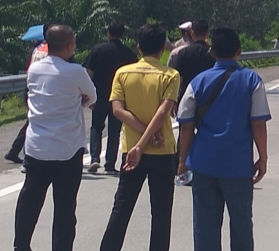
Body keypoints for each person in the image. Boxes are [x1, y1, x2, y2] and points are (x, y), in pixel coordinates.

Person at [177, 26, 270, 251]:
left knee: (205, 227)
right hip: (238, 167)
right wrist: (263, 157)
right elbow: (258, 123)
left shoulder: (197, 82)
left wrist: (182, 162)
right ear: (239, 50)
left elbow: (186, 125)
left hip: (203, 164)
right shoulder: (252, 81)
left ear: (212, 52)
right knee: (241, 226)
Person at [14, 25, 97, 251]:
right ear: (70, 46)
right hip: (67, 149)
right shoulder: (76, 71)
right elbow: (92, 97)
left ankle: (21, 245)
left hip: (37, 146)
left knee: (30, 199)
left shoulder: (34, 70)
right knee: (65, 207)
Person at [99, 24, 180, 251]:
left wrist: (140, 141)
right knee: (162, 212)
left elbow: (118, 111)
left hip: (131, 151)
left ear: (138, 47)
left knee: (122, 207)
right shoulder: (170, 75)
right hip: (163, 152)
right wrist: (151, 135)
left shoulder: (123, 73)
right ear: (163, 47)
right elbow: (164, 111)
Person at [83, 21, 138, 174]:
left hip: (98, 95)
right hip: (119, 98)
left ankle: (94, 158)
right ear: (123, 35)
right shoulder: (128, 53)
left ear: (108, 33)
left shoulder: (98, 49)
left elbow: (88, 72)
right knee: (115, 130)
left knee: (96, 126)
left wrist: (88, 94)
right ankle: (110, 164)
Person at [5, 23, 53, 167]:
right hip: (43, 88)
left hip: (31, 86)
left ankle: (15, 151)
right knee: (36, 123)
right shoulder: (52, 49)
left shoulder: (36, 49)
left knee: (32, 121)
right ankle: (28, 157)